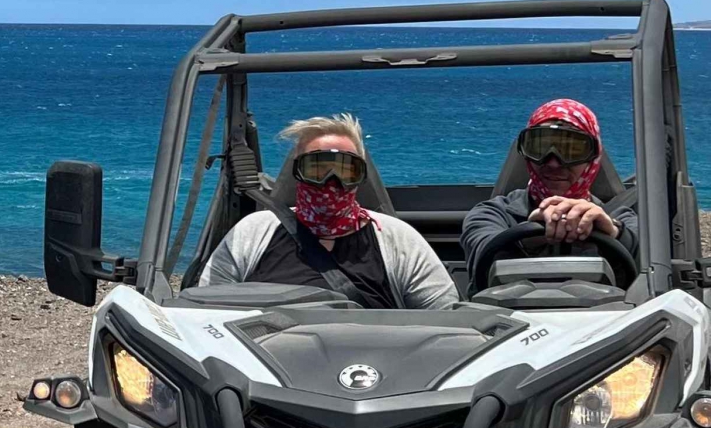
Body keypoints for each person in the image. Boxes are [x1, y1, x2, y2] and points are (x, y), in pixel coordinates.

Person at [200, 113, 457, 309]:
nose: (331, 182)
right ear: (297, 174)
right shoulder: (255, 232)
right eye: (318, 169)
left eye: (345, 170)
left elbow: (446, 316)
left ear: (360, 177)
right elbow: (206, 308)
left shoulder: (396, 238)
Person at [461, 98, 637, 288]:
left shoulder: (620, 217)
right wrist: (528, 235)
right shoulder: (491, 214)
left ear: (593, 159)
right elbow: (482, 252)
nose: (553, 163)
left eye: (572, 151)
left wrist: (614, 233)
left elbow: (651, 267)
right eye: (540, 148)